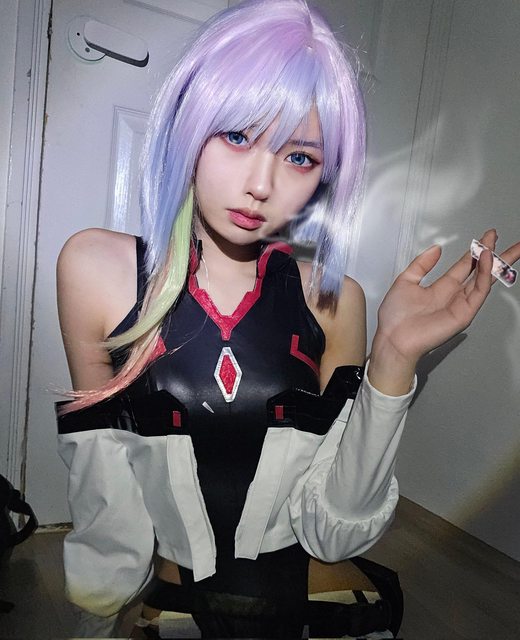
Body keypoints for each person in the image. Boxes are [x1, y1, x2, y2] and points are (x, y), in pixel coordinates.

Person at [55, 0, 520, 638]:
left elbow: (332, 532)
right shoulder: (96, 270)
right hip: (173, 608)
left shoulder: (336, 301)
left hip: (308, 608)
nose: (261, 183)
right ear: (189, 121)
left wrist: (392, 362)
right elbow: (104, 498)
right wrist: (98, 619)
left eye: (300, 157)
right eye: (237, 135)